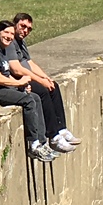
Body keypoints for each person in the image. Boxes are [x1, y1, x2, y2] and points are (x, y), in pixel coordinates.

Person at [0, 19, 56, 162]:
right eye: (6, 32)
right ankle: (33, 144)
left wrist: (20, 86)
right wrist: (18, 82)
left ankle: (42, 142)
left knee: (34, 97)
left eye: (11, 34)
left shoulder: (3, 48)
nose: (9, 36)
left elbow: (6, 74)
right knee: (28, 101)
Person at [9, 11, 77, 151]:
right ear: (15, 24)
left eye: (29, 29)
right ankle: (53, 136)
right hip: (18, 80)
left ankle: (61, 129)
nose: (25, 30)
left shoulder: (21, 43)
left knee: (53, 86)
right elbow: (16, 70)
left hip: (27, 76)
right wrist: (40, 81)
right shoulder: (10, 42)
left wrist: (45, 77)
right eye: (22, 26)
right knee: (43, 92)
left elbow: (30, 63)